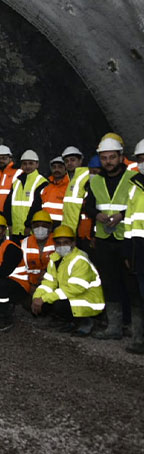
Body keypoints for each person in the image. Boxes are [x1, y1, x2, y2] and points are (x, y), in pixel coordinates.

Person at [84, 136, 136, 340]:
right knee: (110, 282)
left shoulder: (133, 178)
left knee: (130, 283)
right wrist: (97, 215)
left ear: (121, 157)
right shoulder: (95, 180)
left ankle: (134, 327)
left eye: (112, 157)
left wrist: (121, 216)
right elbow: (88, 206)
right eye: (104, 158)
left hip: (127, 239)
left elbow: (138, 205)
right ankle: (114, 326)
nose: (108, 162)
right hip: (104, 239)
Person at [32, 225, 104, 337]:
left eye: (65, 242)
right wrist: (37, 297)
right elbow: (49, 282)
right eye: (58, 243)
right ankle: (71, 321)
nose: (62, 246)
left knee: (57, 303)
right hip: (72, 296)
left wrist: (44, 298)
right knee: (46, 302)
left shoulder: (79, 260)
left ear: (73, 243)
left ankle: (87, 321)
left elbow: (75, 288)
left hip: (87, 300)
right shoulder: (55, 258)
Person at [122, 138, 144, 354]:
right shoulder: (135, 186)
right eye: (140, 159)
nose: (143, 162)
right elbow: (129, 220)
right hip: (139, 248)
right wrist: (128, 250)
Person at [4, 150, 47, 240]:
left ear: (37, 164)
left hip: (30, 231)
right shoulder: (16, 182)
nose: (27, 166)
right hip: (15, 230)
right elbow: (8, 204)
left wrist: (28, 225)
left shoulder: (42, 182)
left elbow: (37, 206)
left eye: (31, 163)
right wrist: (10, 224)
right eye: (24, 164)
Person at [62, 146, 91, 243]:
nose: (69, 163)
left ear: (80, 160)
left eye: (72, 160)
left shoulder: (87, 176)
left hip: (82, 230)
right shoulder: (70, 179)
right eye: (66, 161)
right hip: (70, 230)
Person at [21, 210, 55, 293]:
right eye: (36, 225)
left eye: (44, 225)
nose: (40, 228)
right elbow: (20, 270)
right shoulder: (24, 243)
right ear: (32, 227)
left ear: (50, 228)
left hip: (52, 286)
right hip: (29, 285)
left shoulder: (58, 242)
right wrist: (29, 286)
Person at [0, 145, 21, 212]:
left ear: (10, 158)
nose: (1, 161)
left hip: (10, 213)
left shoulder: (18, 173)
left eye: (4, 158)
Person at [40, 156, 69, 224]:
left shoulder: (70, 187)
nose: (56, 170)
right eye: (54, 167)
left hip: (64, 227)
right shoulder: (45, 186)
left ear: (65, 169)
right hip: (45, 225)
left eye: (60, 167)